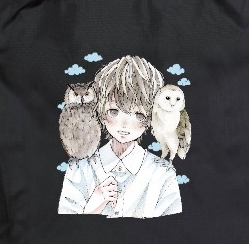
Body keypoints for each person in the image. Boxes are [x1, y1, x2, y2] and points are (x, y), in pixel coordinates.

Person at [58, 55, 182, 218]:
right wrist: (93, 205)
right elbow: (64, 225)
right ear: (100, 111)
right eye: (113, 111)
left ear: (151, 117)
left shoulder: (163, 174)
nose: (124, 125)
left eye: (138, 115)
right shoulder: (78, 169)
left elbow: (175, 226)